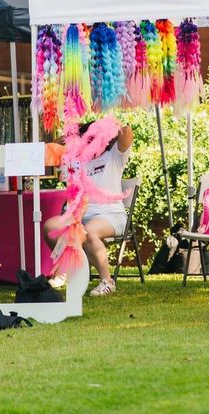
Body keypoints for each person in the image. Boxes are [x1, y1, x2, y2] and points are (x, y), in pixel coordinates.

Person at [43, 120, 134, 298]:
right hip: (80, 215)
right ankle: (69, 269)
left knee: (89, 231)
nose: (91, 141)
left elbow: (127, 133)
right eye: (87, 137)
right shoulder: (77, 161)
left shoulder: (113, 156)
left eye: (95, 136)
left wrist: (110, 126)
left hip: (110, 215)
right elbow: (48, 151)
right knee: (50, 227)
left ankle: (107, 281)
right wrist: (68, 138)